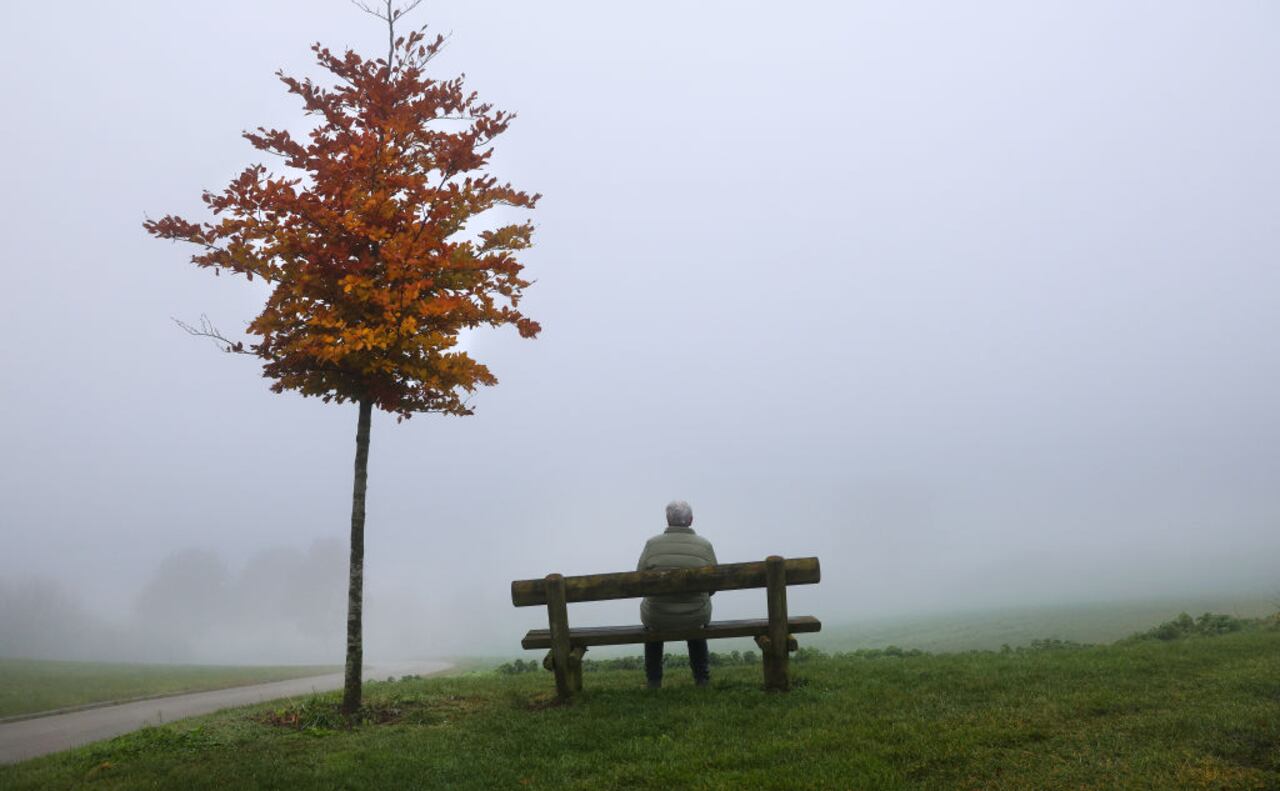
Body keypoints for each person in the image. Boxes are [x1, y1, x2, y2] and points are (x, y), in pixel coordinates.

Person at [636, 500, 718, 688]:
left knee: (653, 620)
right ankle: (702, 678)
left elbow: (639, 583)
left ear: (667, 519)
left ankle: (654, 680)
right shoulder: (705, 546)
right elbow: (713, 586)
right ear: (691, 520)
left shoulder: (652, 545)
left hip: (658, 616)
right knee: (696, 617)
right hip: (695, 615)